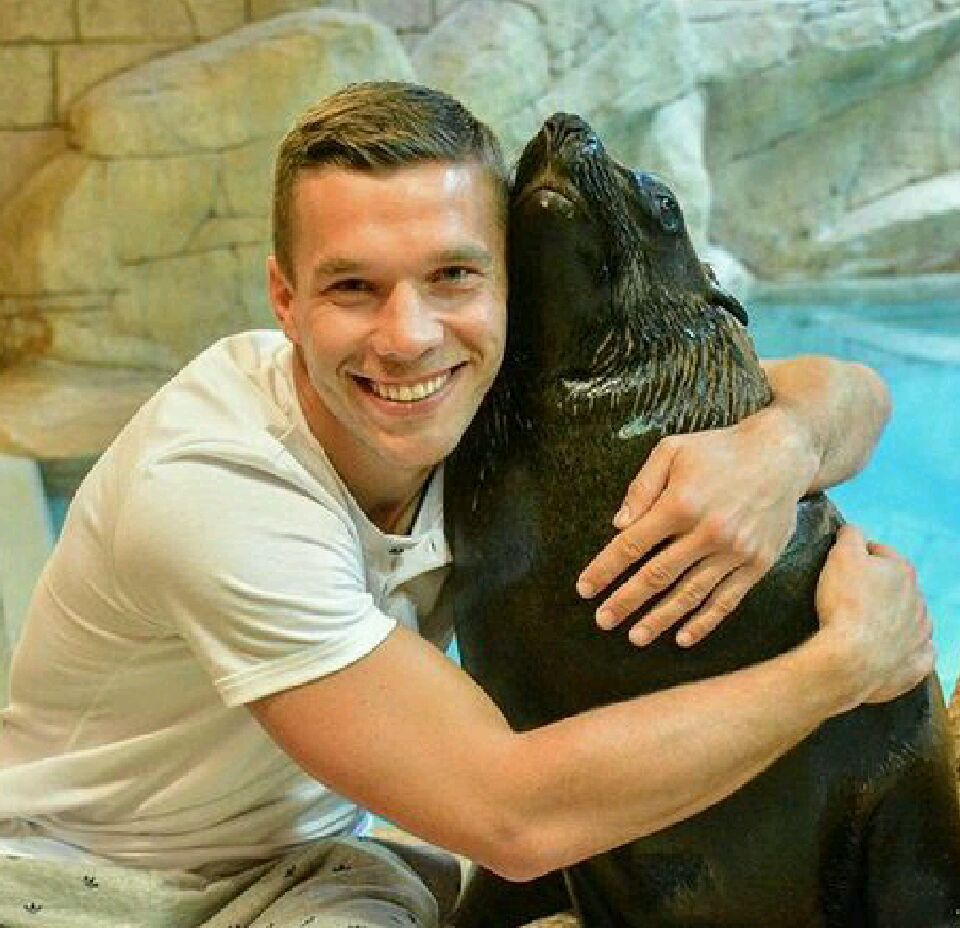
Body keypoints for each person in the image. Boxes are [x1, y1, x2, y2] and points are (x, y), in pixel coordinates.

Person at [0, 82, 932, 928]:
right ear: (284, 297)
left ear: (506, 284)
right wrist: (846, 663)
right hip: (82, 882)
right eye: (354, 287)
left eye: (452, 276)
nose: (408, 338)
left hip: (312, 874)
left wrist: (780, 448)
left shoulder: (467, 403)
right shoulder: (216, 485)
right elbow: (511, 819)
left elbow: (855, 391)